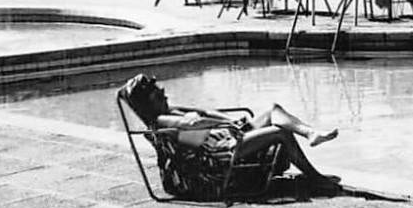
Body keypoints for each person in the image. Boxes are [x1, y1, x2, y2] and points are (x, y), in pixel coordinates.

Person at [122, 74, 340, 188]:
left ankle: (311, 133)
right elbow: (193, 126)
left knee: (272, 110)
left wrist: (231, 121)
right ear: (149, 101)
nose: (163, 90)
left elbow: (205, 112)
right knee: (279, 133)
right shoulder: (160, 120)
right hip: (218, 154)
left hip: (225, 138)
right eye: (157, 91)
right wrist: (225, 127)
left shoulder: (171, 110)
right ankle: (315, 178)